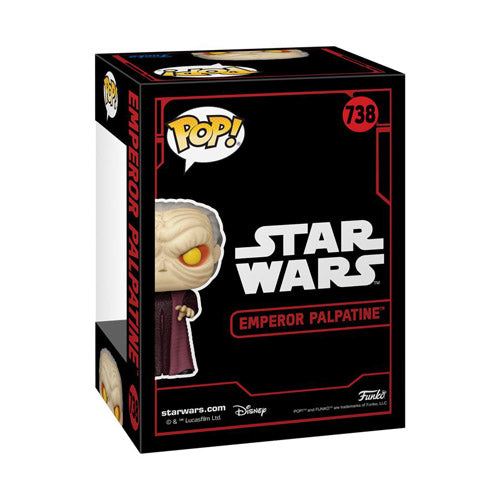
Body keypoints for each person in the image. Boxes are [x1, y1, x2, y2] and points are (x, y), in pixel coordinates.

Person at [154, 200, 224, 378]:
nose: (162, 267)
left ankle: (179, 367)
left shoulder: (183, 294)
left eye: (191, 255)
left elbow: (191, 302)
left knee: (178, 346)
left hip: (175, 326)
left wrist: (189, 309)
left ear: (215, 254)